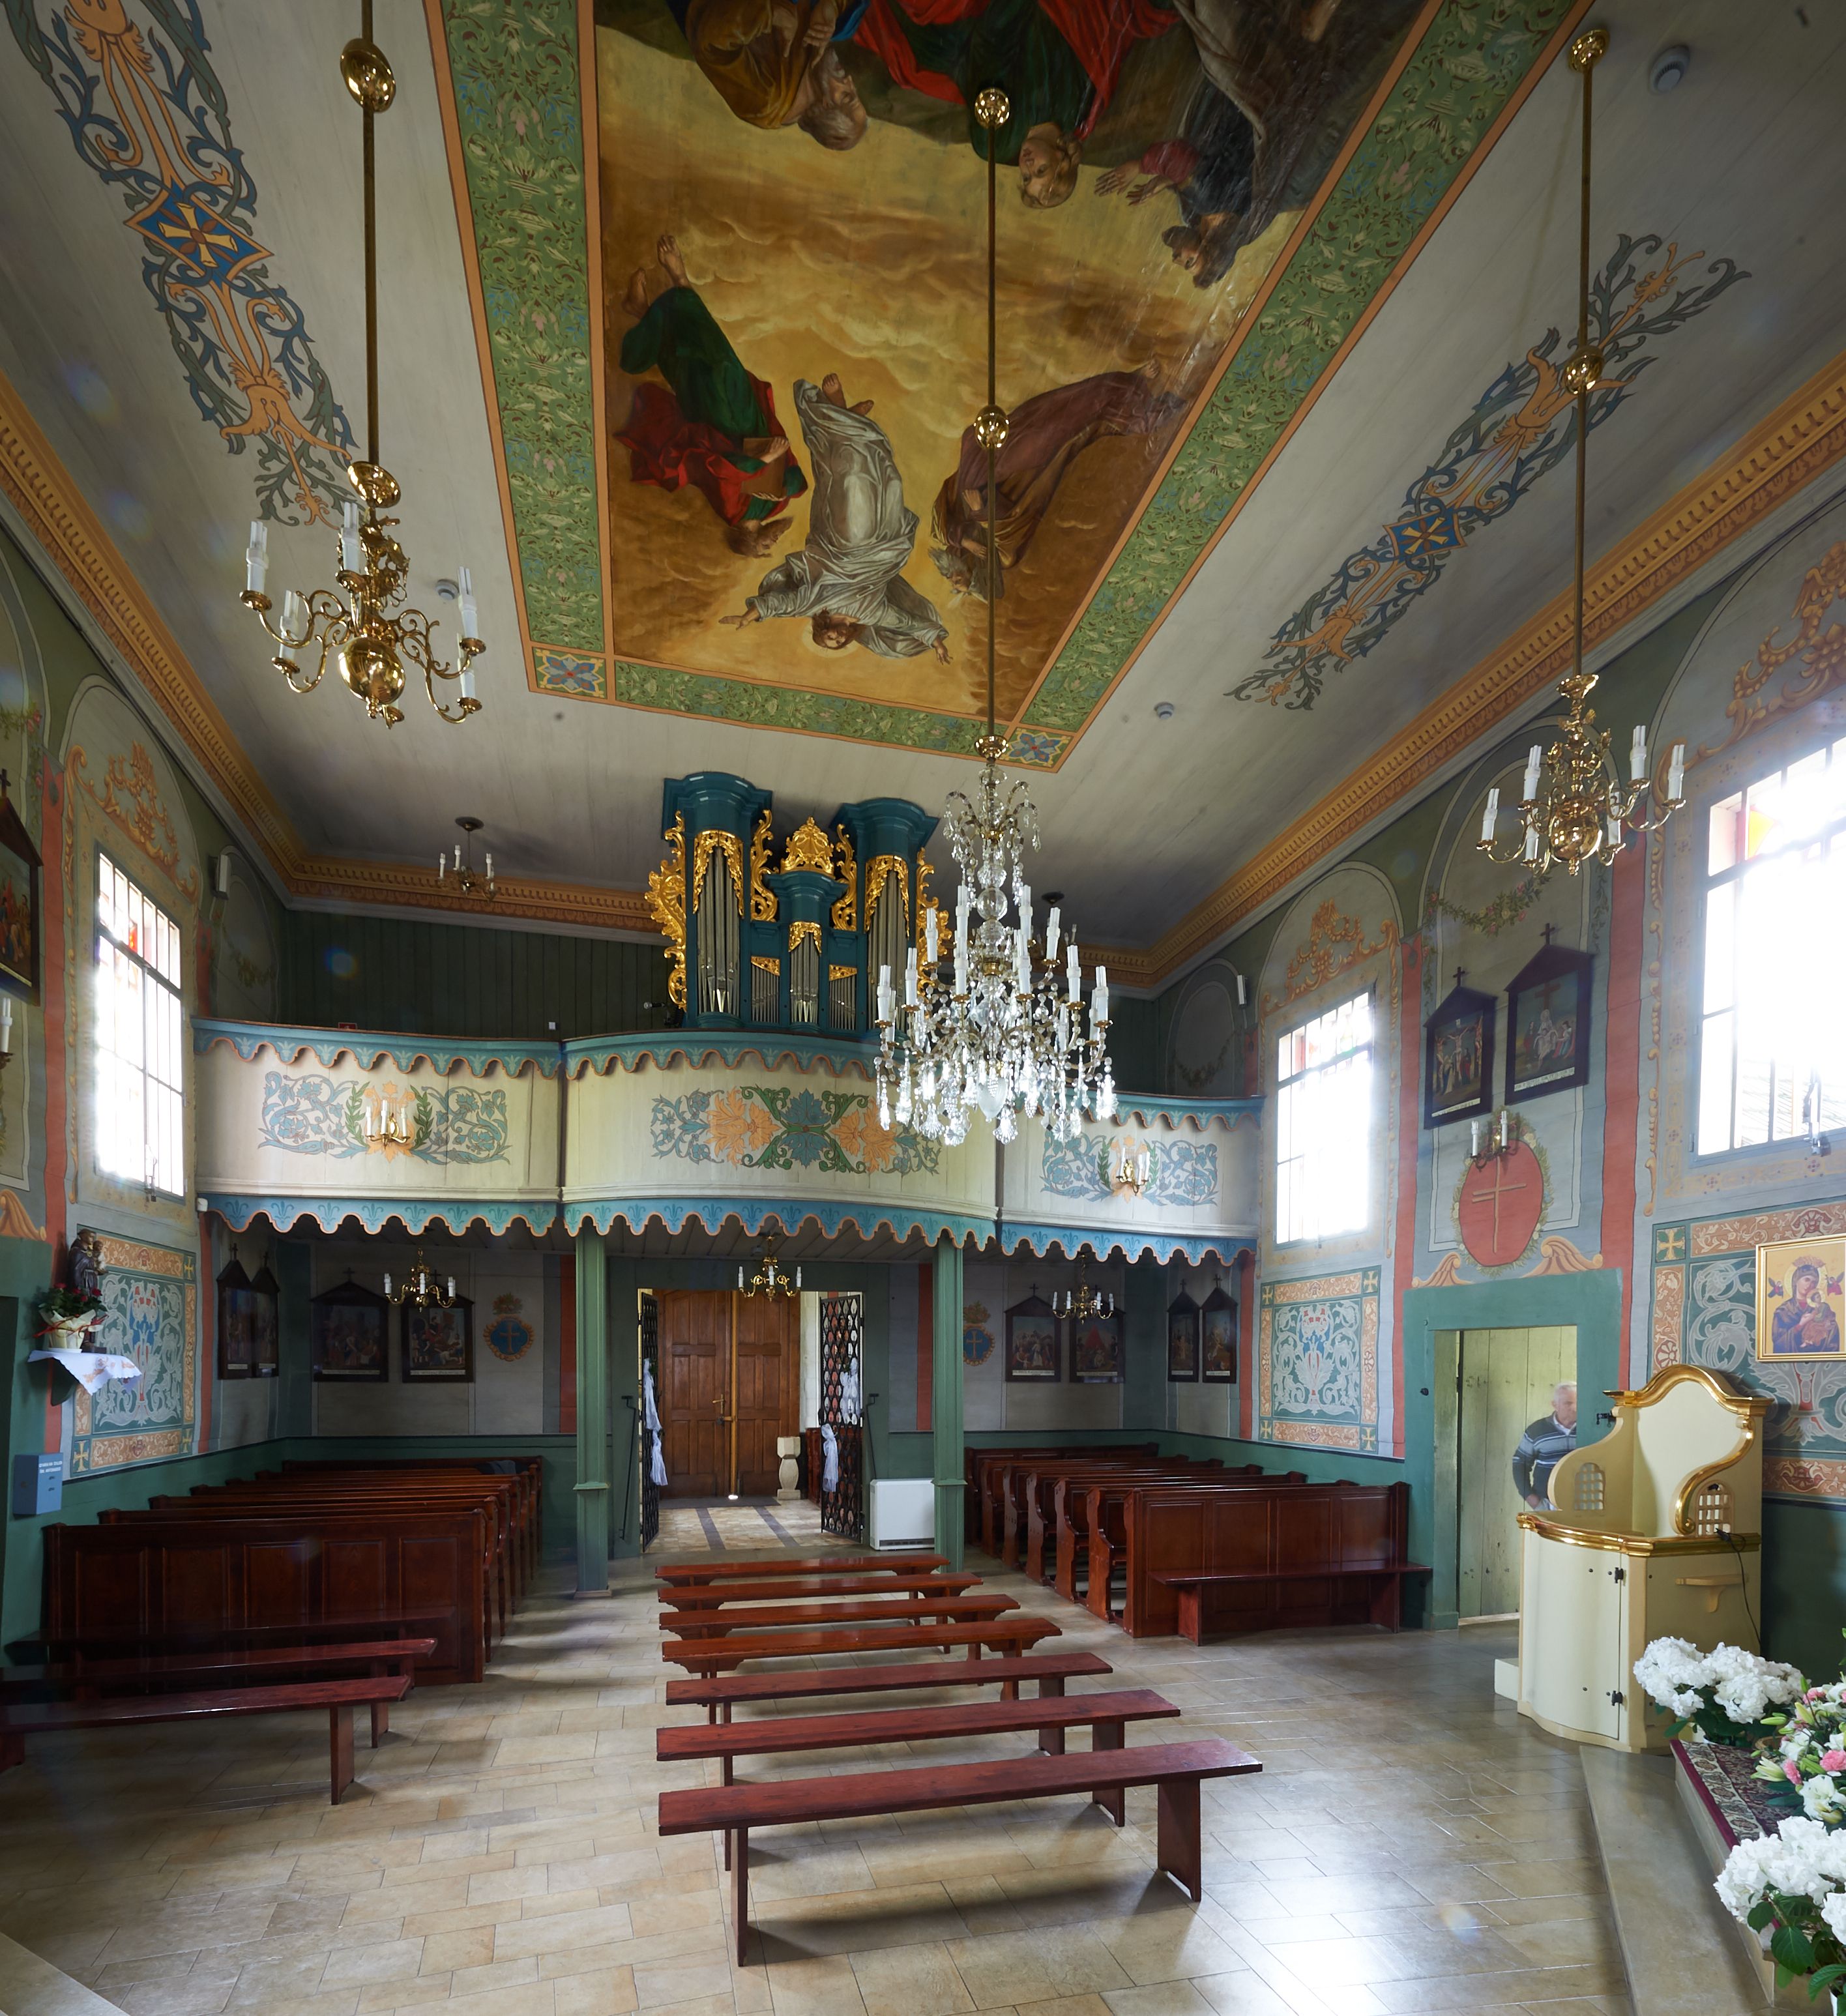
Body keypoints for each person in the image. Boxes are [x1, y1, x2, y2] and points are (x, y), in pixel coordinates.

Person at [851, 0, 1178, 204]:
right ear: (1061, 159)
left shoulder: (997, 140)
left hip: (988, 28)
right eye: (1040, 170)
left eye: (1026, 177)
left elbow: (986, 57)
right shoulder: (1075, 112)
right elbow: (1079, 40)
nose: (1027, 166)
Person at [722, 374, 950, 660]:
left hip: (842, 545)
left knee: (851, 480)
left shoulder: (817, 605)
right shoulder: (872, 613)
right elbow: (907, 622)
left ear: (823, 629)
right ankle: (846, 419)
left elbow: (781, 605)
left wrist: (748, 616)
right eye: (839, 642)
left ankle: (839, 413)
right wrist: (937, 642)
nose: (837, 637)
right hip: (882, 548)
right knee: (888, 481)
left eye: (829, 638)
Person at [615, 235, 808, 557]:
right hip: (750, 419)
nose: (772, 543)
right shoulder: (773, 509)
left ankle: (666, 294)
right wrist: (786, 483)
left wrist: (762, 460)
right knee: (720, 362)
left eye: (763, 548)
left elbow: (718, 471)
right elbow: (798, 480)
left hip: (722, 427)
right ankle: (660, 298)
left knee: (696, 371)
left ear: (746, 541)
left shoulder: (733, 513)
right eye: (770, 547)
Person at [931, 364, 1184, 598]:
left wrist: (963, 540)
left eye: (950, 578)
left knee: (1045, 409)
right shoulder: (1001, 561)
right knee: (1059, 428)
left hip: (991, 457)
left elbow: (941, 516)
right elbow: (1013, 529)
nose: (953, 579)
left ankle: (1127, 381)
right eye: (959, 583)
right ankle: (1134, 405)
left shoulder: (953, 540)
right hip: (1020, 475)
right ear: (978, 580)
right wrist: (981, 513)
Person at [673, 0, 870, 149]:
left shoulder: (766, 102)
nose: (849, 81)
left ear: (826, 105)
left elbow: (711, 43)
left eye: (847, 95)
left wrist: (771, 15)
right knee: (846, 27)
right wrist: (831, 6)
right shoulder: (816, 66)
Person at [1512, 1382, 1577, 1509]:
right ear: (1555, 1405)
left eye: (1577, 1403)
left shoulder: (1591, 1428)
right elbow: (1520, 1462)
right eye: (1568, 1403)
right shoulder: (1537, 1430)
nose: (1574, 1408)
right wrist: (1531, 1498)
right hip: (1548, 1504)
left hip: (1586, 1503)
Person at [1772, 1261, 1842, 1356]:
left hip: (1820, 1360)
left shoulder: (1821, 1307)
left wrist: (1826, 1324)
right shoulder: (1784, 1310)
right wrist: (1800, 1325)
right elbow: (1778, 1343)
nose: (1810, 1285)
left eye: (1814, 1282)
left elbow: (1833, 1331)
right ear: (1796, 1281)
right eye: (1807, 1280)